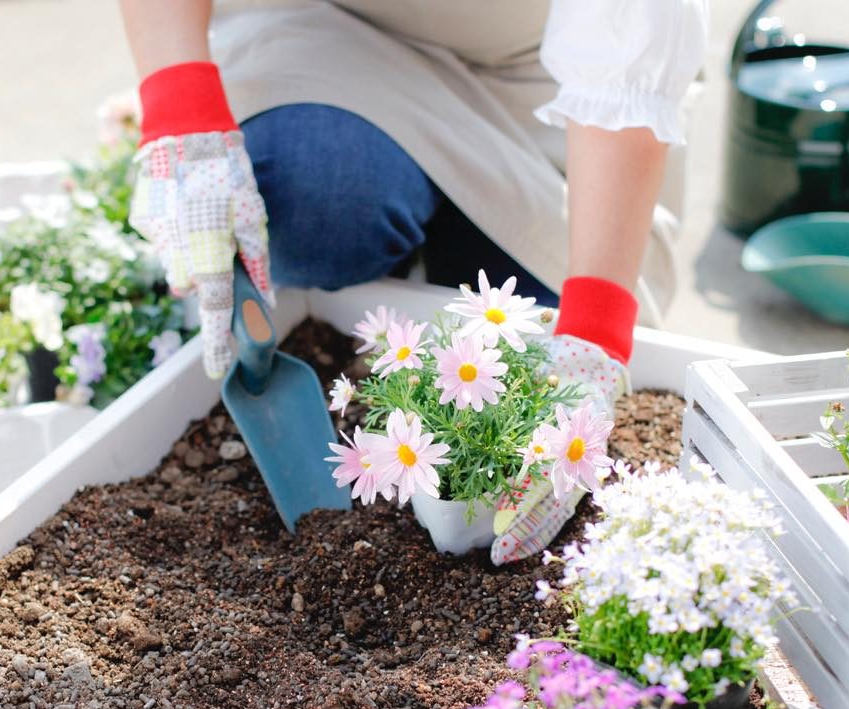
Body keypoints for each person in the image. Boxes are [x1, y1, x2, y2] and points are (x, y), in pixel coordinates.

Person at [119, 0, 708, 562]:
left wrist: (593, 335)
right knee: (310, 200)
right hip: (333, 41)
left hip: (542, 73)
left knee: (538, 332)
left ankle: (436, 235)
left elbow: (625, 34)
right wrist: (182, 114)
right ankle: (395, 221)